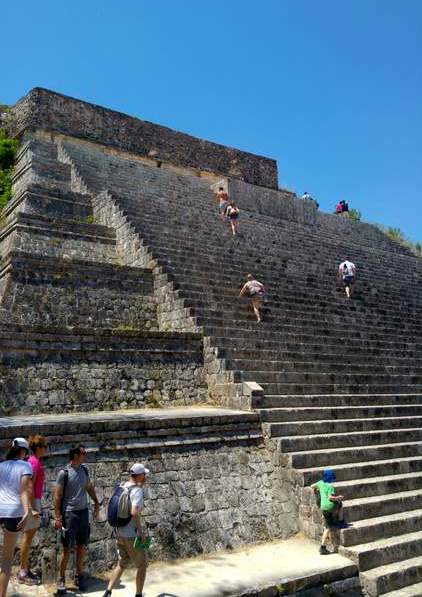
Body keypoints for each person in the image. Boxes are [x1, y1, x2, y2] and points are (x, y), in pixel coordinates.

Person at [54, 445, 100, 595]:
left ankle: (79, 576)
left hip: (83, 513)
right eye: (82, 453)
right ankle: (61, 579)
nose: (85, 455)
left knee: (81, 547)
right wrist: (58, 517)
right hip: (69, 514)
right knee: (67, 549)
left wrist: (96, 502)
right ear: (75, 455)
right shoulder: (64, 473)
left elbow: (89, 487)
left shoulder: (84, 470)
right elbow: (57, 495)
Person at [102, 463, 150, 597]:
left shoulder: (122, 486)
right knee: (142, 565)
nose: (145, 476)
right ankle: (139, 594)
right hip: (132, 535)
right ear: (139, 475)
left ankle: (108, 591)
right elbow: (134, 512)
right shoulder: (137, 491)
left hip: (119, 532)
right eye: (144, 474)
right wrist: (140, 532)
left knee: (122, 563)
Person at [0, 437, 38, 597]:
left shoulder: (1, 465)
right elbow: (24, 490)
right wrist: (27, 511)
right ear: (23, 451)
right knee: (7, 559)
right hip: (13, 512)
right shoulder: (25, 465)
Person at [18, 435, 47, 585]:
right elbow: (29, 486)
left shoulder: (33, 461)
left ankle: (25, 568)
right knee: (27, 537)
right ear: (39, 447)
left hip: (34, 500)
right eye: (44, 447)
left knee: (28, 537)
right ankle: (23, 571)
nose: (46, 449)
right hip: (33, 501)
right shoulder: (33, 462)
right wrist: (32, 508)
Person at [311, 469, 346, 555]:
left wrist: (317, 490)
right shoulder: (330, 487)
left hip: (323, 507)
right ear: (331, 478)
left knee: (327, 526)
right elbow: (330, 498)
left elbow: (312, 486)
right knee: (340, 504)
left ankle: (322, 547)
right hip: (329, 507)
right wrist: (338, 497)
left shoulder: (320, 483)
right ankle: (341, 521)